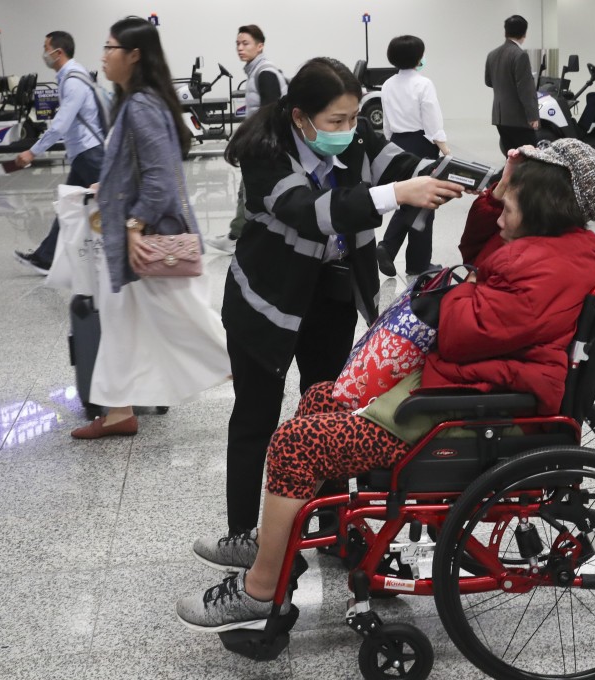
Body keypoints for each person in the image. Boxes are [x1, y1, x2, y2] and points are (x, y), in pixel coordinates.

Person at [176, 138, 595, 632]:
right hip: (467, 391)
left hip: (466, 411)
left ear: (539, 210)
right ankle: (290, 539)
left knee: (294, 444)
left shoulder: (542, 266)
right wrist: (497, 193)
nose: (498, 214)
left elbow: (461, 333)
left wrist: (440, 292)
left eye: (507, 205)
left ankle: (261, 591)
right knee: (321, 396)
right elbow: (482, 251)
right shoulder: (553, 249)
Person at [192, 57, 466, 561]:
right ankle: (241, 537)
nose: (347, 130)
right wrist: (395, 195)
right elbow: (309, 211)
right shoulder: (265, 151)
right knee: (256, 417)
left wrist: (457, 174)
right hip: (267, 301)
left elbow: (400, 165)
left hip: (332, 294)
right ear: (301, 117)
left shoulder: (356, 135)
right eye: (335, 121)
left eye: (352, 118)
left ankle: (332, 527)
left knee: (331, 414)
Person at [70, 17, 231, 439]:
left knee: (192, 323)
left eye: (110, 48)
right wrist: (109, 184)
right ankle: (119, 411)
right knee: (121, 323)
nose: (103, 57)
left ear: (134, 55)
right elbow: (140, 167)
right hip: (140, 239)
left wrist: (134, 226)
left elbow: (160, 177)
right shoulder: (131, 101)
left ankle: (256, 374)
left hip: (154, 242)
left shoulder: (140, 105)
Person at [13, 31, 108, 275]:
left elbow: (60, 124)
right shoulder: (69, 76)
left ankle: (138, 246)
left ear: (58, 52)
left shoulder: (73, 80)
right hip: (82, 153)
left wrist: (32, 152)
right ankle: (45, 259)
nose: (43, 53)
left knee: (113, 201)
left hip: (89, 152)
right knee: (69, 207)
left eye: (45, 47)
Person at [206, 24, 287, 255]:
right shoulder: (258, 71)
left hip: (265, 145)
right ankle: (238, 234)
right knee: (247, 191)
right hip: (260, 143)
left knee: (250, 192)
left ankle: (237, 236)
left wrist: (259, 143)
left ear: (260, 46)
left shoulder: (265, 72)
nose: (240, 48)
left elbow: (270, 112)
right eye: (238, 44)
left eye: (246, 43)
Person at [375, 34, 450, 277]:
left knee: (408, 199)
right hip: (421, 144)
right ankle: (415, 262)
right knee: (426, 202)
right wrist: (444, 147)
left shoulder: (387, 84)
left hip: (396, 144)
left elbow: (386, 121)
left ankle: (391, 247)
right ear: (418, 57)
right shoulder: (423, 84)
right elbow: (431, 119)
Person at [485, 14, 539, 155]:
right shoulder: (520, 55)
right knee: (529, 158)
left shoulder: (492, 54)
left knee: (511, 157)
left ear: (505, 32)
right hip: (518, 118)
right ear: (524, 33)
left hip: (500, 116)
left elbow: (488, 81)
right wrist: (532, 116)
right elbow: (525, 90)